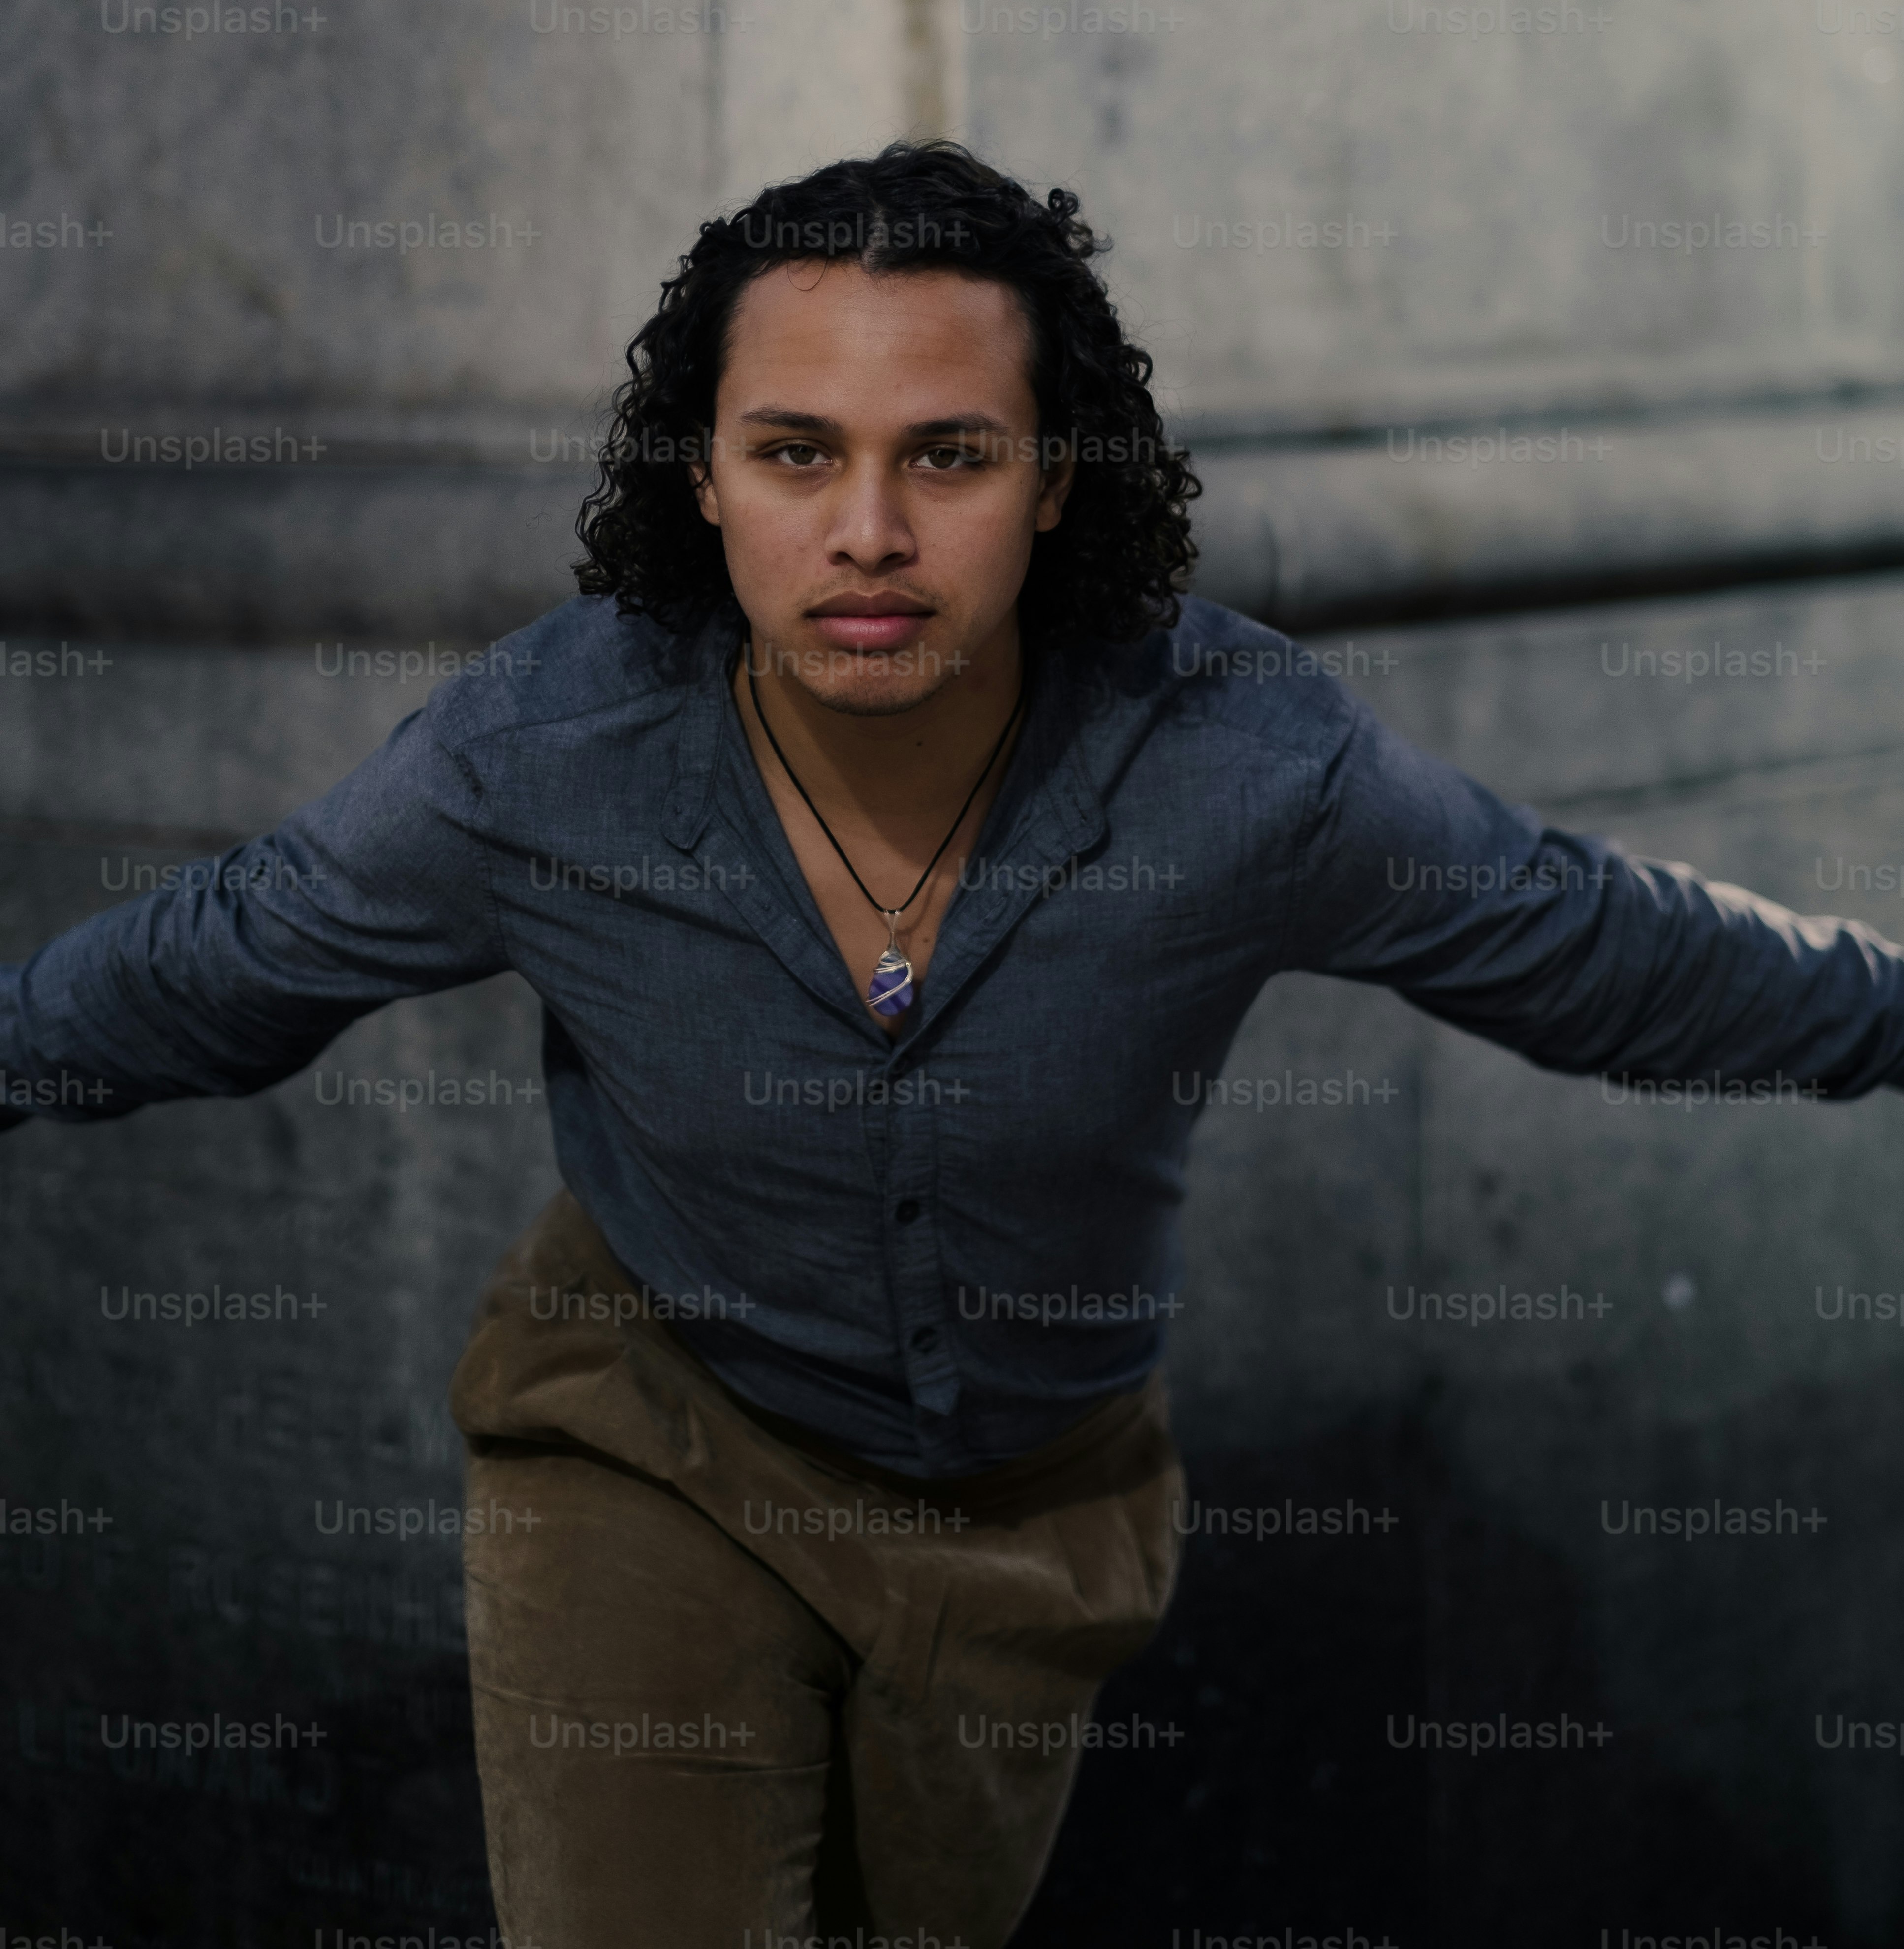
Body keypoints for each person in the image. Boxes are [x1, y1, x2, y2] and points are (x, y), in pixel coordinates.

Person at [5, 139, 1901, 1949]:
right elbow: (220, 960)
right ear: (705, 475)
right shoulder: (536, 759)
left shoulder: (1246, 762)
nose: (871, 533)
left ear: (1058, 478)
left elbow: (1606, 949)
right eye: (797, 452)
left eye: (953, 455)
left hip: (1033, 1524)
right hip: (650, 1442)